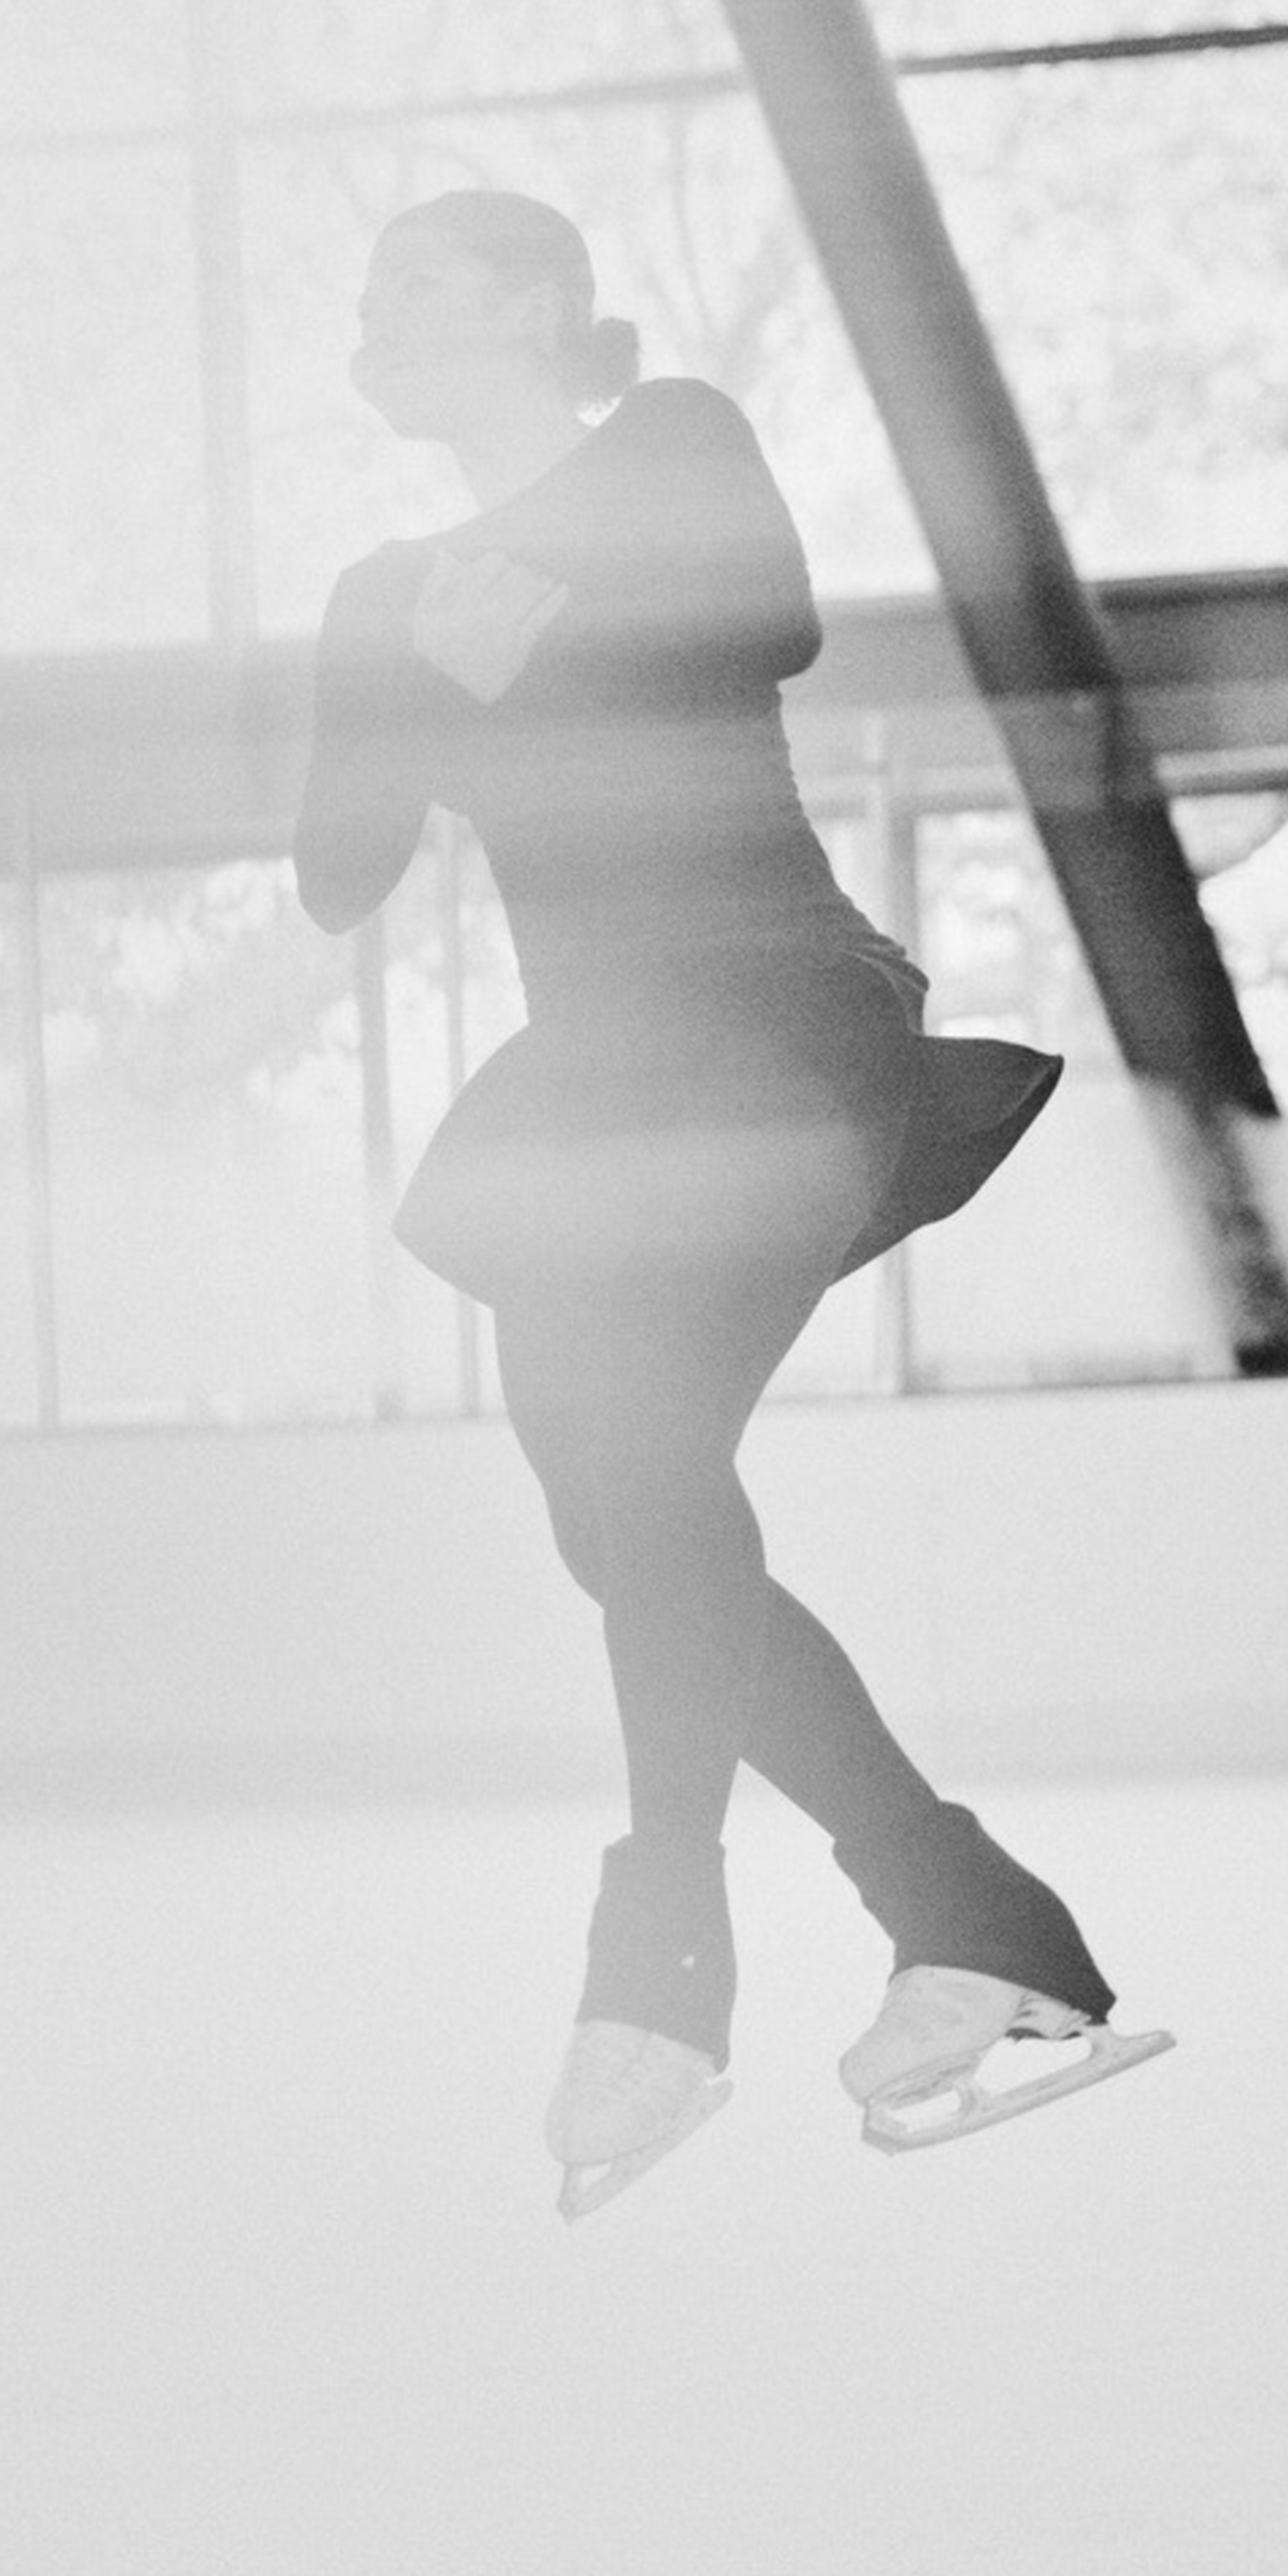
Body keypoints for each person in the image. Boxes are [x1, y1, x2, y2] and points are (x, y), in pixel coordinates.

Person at [292, 188, 1170, 2221]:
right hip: (586, 1095)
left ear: (529, 301)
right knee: (624, 1516)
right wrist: (421, 669)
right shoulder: (379, 587)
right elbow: (340, 867)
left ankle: (666, 1966)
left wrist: (541, 600)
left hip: (774, 1032)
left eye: (413, 281)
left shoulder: (667, 442)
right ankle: (967, 1919)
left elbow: (761, 613)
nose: (374, 318)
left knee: (644, 1482)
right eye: (364, 300)